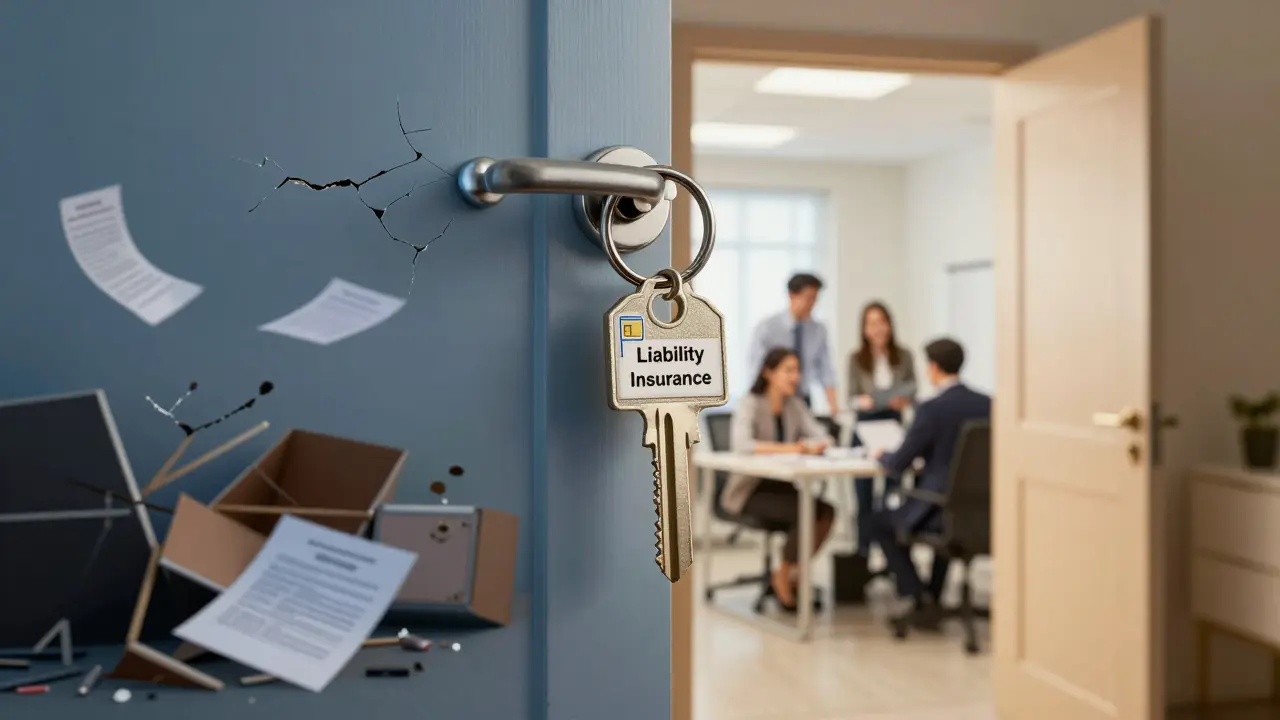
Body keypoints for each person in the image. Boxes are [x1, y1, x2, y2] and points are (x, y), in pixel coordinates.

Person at [869, 338, 991, 631]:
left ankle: (919, 596)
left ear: (933, 368)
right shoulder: (990, 405)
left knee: (876, 521)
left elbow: (898, 462)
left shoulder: (932, 408)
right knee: (949, 516)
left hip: (939, 509)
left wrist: (881, 454)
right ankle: (933, 595)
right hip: (982, 513)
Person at [721, 348, 836, 611]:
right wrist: (793, 448)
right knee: (806, 512)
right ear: (769, 372)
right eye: (788, 370)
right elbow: (742, 445)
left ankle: (786, 571)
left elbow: (820, 434)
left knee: (826, 512)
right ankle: (785, 577)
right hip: (750, 491)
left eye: (797, 370)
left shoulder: (794, 404)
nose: (795, 377)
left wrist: (819, 443)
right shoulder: (751, 402)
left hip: (782, 485)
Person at [846, 301, 917, 565]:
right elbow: (852, 397)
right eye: (871, 323)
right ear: (864, 329)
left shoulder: (904, 356)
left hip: (894, 424)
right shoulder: (856, 359)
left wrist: (899, 400)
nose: (877, 328)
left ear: (889, 325)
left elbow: (912, 388)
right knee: (863, 497)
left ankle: (893, 557)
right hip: (865, 426)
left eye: (882, 322)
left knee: (892, 494)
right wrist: (866, 401)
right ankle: (862, 554)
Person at [747, 274, 838, 412]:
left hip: (803, 399)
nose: (812, 304)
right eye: (808, 298)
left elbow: (826, 370)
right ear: (791, 295)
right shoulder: (767, 328)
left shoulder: (819, 330)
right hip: (773, 399)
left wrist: (834, 406)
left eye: (815, 298)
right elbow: (757, 366)